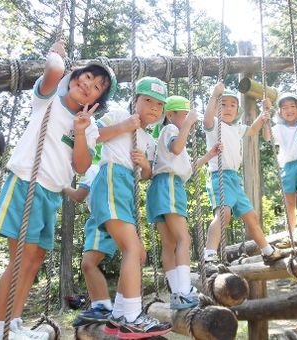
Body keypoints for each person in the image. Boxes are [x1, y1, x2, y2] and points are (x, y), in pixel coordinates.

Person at [0, 41, 116, 340]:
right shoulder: (48, 100)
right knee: (20, 259)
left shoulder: (88, 125)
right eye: (85, 77)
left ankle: (13, 323)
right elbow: (54, 69)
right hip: (25, 184)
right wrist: (56, 54)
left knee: (33, 260)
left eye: (97, 86)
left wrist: (82, 131)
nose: (88, 85)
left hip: (51, 194)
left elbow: (81, 166)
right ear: (72, 79)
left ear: (98, 99)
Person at [92, 76, 172, 338]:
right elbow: (92, 136)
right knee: (132, 249)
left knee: (138, 254)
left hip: (127, 186)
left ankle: (118, 315)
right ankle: (132, 316)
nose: (153, 108)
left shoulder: (148, 140)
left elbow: (147, 175)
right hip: (112, 179)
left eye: (159, 105)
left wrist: (146, 165)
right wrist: (126, 125)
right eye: (147, 100)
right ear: (134, 100)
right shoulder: (116, 115)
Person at [147, 95, 221, 309]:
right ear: (170, 115)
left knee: (170, 243)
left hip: (162, 186)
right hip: (169, 186)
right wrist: (188, 125)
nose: (190, 118)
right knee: (183, 239)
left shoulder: (170, 135)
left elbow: (185, 169)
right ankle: (183, 290)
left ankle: (177, 292)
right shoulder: (171, 130)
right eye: (185, 114)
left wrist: (208, 156)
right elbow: (177, 149)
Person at [203, 83, 284, 266]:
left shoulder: (237, 128)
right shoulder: (215, 125)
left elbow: (253, 130)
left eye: (232, 105)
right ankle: (209, 255)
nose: (228, 108)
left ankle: (267, 251)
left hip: (234, 178)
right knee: (224, 213)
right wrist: (215, 94)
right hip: (220, 176)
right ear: (216, 108)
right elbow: (207, 120)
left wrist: (264, 115)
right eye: (223, 104)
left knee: (251, 216)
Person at [62, 146, 118, 325]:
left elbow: (79, 195)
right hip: (106, 217)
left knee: (88, 264)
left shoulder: (93, 169)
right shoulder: (101, 169)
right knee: (89, 265)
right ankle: (98, 306)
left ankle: (102, 307)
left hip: (99, 219)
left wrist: (61, 185)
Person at [263, 93, 297, 241]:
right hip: (287, 167)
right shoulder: (279, 128)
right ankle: (291, 233)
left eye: (293, 106)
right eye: (284, 108)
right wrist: (266, 115)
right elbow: (267, 137)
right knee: (289, 203)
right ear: (280, 112)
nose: (289, 110)